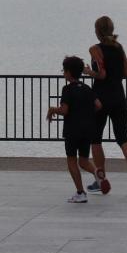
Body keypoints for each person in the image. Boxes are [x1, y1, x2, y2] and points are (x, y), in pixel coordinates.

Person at [84, 15, 127, 196]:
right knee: (122, 137)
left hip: (100, 98)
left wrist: (88, 72)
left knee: (95, 139)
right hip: (118, 97)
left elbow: (101, 74)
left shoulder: (95, 49)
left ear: (98, 31)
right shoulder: (119, 47)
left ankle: (101, 178)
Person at [46, 55, 101, 203]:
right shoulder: (87, 88)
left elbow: (64, 110)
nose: (63, 73)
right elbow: (98, 105)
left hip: (72, 130)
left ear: (69, 73)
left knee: (71, 160)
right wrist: (87, 113)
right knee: (84, 160)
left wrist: (52, 110)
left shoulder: (67, 89)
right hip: (88, 129)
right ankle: (97, 173)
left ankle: (80, 192)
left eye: (64, 71)